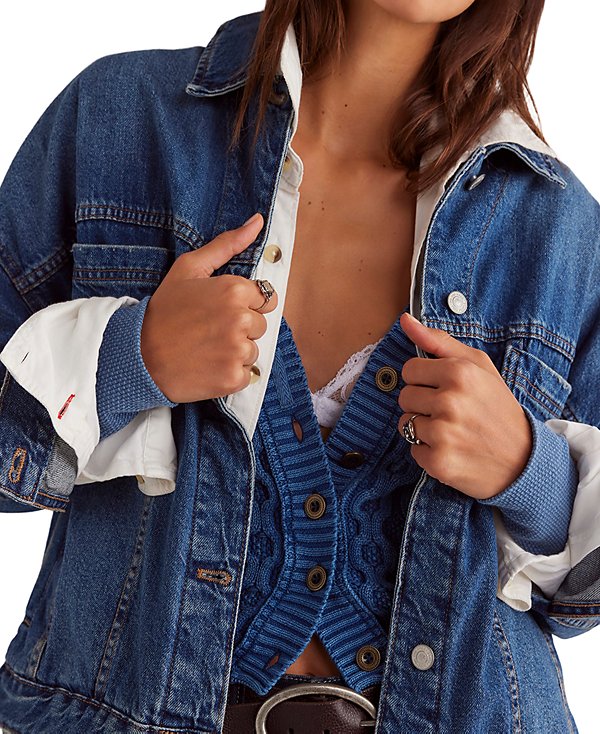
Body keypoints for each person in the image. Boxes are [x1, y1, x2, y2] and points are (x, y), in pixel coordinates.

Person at [0, 1, 599, 732]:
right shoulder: (119, 124)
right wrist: (131, 360)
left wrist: (529, 473)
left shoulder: (560, 228)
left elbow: (584, 594)